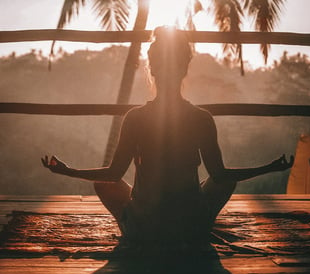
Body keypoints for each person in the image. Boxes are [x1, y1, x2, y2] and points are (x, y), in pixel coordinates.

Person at [42, 27, 294, 249]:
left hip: (146, 229)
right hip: (190, 227)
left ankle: (133, 229)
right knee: (224, 181)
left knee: (103, 184)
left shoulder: (136, 117)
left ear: (151, 68)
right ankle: (199, 224)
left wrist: (69, 171)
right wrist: (269, 168)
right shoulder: (201, 118)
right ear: (185, 68)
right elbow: (220, 175)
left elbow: (112, 173)